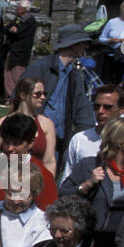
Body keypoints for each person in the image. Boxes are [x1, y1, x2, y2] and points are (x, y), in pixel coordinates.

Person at [60, 116, 124, 237]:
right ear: (120, 139)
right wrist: (86, 185)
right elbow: (61, 196)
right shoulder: (89, 165)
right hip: (91, 239)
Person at [24, 24, 96, 159]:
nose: (86, 46)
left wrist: (78, 136)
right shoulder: (41, 68)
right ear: (74, 44)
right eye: (83, 43)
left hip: (58, 143)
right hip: (33, 140)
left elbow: (83, 110)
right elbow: (20, 98)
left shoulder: (74, 75)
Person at [0, 75, 58, 176]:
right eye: (38, 94)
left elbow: (49, 161)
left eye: (44, 93)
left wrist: (50, 185)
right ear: (23, 95)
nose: (43, 97)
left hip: (37, 181)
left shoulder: (47, 124)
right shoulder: (1, 123)